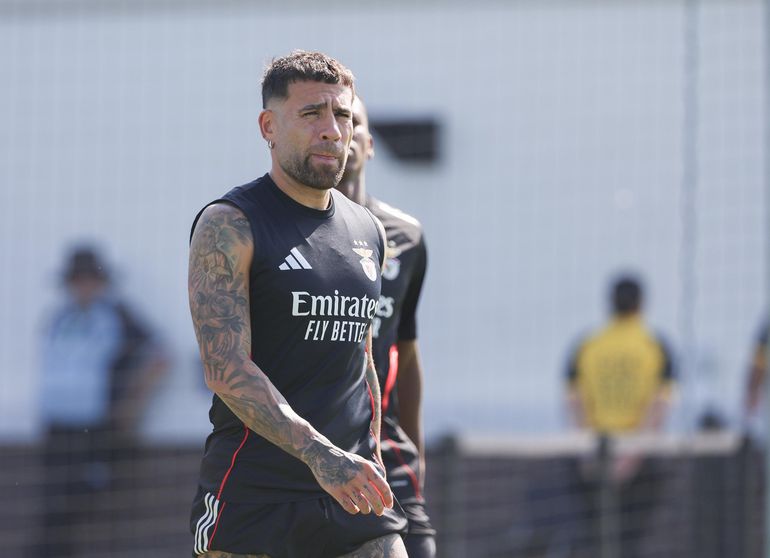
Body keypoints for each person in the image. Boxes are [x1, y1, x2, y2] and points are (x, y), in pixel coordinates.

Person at [187, 51, 408, 558]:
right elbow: (225, 369)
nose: (332, 130)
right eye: (311, 114)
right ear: (269, 126)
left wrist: (367, 454)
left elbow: (362, 359)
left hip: (351, 493)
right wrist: (321, 455)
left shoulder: (368, 230)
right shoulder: (229, 224)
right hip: (256, 498)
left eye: (342, 115)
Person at [335, 96, 435, 557]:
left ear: (370, 142)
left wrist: (415, 453)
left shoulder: (406, 237)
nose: (340, 131)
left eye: (351, 120)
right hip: (308, 450)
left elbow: (406, 353)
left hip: (385, 450)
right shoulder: (279, 233)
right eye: (327, 118)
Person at [37, 245, 168, 557]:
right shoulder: (61, 317)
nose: (83, 287)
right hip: (58, 425)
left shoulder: (117, 315)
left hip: (96, 429)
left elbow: (159, 356)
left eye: (88, 279)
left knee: (86, 497)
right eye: (77, 280)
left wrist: (133, 403)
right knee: (55, 498)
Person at [564, 274, 675, 558]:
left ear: (610, 303)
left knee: (597, 541)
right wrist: (631, 457)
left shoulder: (587, 345)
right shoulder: (655, 347)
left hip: (595, 457)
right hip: (638, 462)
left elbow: (575, 405)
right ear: (641, 304)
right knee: (629, 543)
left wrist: (589, 456)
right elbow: (658, 408)